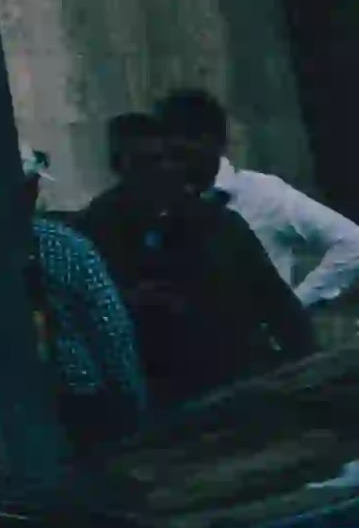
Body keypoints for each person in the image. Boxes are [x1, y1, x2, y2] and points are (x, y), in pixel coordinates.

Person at [0, 160, 151, 456]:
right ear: (30, 190)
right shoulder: (68, 246)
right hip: (74, 402)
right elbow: (110, 329)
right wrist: (129, 398)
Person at [86, 104, 311, 410]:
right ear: (120, 167)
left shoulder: (218, 223)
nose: (164, 169)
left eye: (171, 158)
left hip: (237, 381)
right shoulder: (97, 229)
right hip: (156, 393)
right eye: (147, 162)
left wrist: (303, 371)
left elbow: (277, 303)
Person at [162, 89, 359, 319]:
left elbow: (352, 243)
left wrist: (295, 306)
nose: (172, 163)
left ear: (211, 142)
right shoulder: (163, 201)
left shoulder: (262, 195)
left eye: (180, 152)